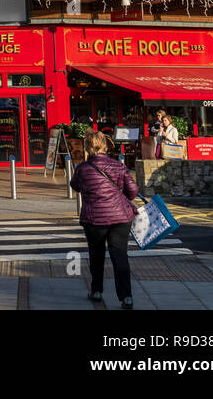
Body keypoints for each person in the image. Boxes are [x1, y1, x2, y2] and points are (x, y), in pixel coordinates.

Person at [69, 129, 141, 309]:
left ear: (87, 147)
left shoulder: (83, 168)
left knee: (96, 254)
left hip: (94, 218)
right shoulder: (119, 166)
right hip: (120, 217)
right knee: (120, 256)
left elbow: (74, 186)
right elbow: (133, 191)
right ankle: (126, 297)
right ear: (105, 146)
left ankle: (97, 290)